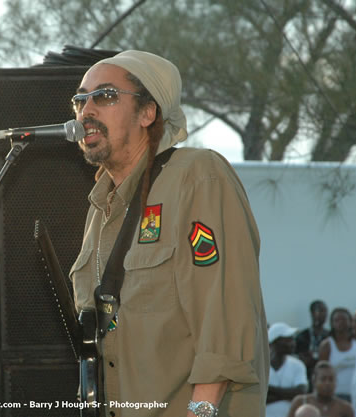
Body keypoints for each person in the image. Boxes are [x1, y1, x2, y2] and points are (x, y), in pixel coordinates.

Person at [68, 50, 269, 417]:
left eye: (105, 96)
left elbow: (224, 318)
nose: (86, 111)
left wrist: (201, 412)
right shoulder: (101, 209)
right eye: (80, 100)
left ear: (148, 112)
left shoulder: (197, 175)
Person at [267, 322, 308, 417]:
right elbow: (257, 397)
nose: (293, 343)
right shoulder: (260, 366)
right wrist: (289, 395)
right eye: (288, 339)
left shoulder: (298, 365)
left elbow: (301, 392)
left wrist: (268, 389)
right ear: (274, 342)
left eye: (292, 339)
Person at [318, 308, 356, 402]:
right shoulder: (327, 345)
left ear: (350, 322)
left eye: (344, 320)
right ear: (332, 323)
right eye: (336, 320)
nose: (340, 323)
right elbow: (321, 372)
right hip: (335, 395)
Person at [287, 361, 354, 417]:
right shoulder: (300, 402)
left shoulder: (345, 408)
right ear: (314, 381)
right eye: (323, 379)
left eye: (331, 379)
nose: (327, 383)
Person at [296, 300, 330, 389]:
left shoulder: (330, 336)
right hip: (306, 376)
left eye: (325, 311)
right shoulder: (302, 336)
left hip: (324, 375)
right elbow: (300, 358)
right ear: (312, 313)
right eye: (321, 311)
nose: (324, 314)